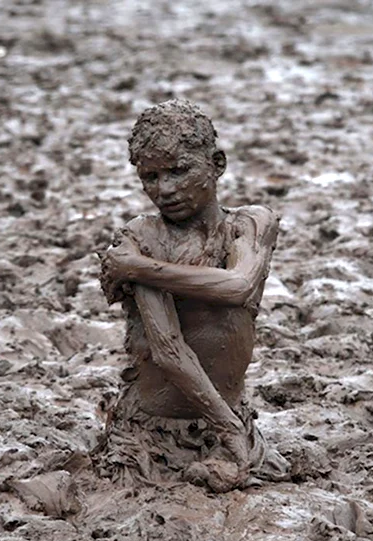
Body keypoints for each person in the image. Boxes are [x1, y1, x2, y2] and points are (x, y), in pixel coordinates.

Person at [94, 98, 289, 492]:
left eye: (179, 171)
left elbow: (238, 286)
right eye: (150, 176)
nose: (164, 190)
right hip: (152, 432)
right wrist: (230, 429)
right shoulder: (144, 237)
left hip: (229, 419)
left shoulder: (250, 224)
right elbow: (168, 349)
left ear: (216, 165)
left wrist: (136, 269)